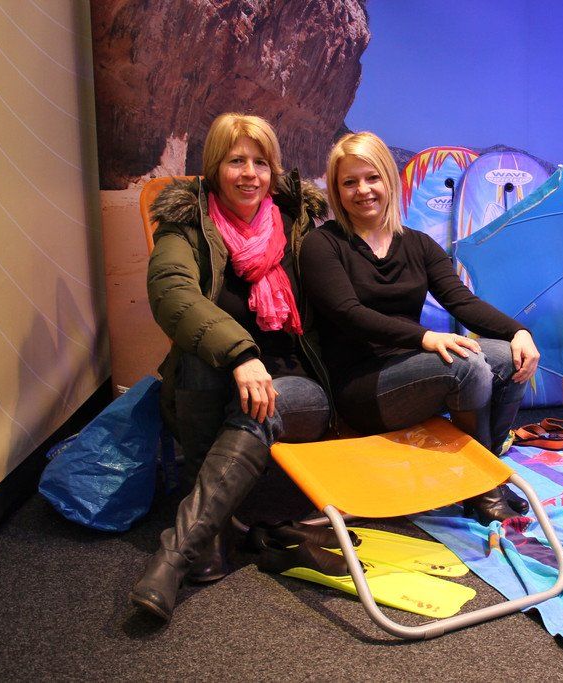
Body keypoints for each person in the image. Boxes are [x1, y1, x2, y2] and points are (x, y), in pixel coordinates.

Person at [130, 113, 332, 621]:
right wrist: (242, 354)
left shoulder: (297, 222)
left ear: (274, 170)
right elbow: (172, 291)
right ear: (214, 167)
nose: (249, 174)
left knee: (264, 403)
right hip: (223, 378)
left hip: (296, 380)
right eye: (236, 161)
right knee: (201, 363)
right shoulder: (186, 224)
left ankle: (177, 554)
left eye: (260, 163)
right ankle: (212, 530)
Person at [299, 131, 540, 524]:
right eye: (349, 182)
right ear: (337, 191)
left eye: (372, 177)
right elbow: (348, 312)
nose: (363, 190)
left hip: (416, 369)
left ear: (389, 180)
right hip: (361, 386)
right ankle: (481, 487)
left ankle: (487, 472)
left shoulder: (419, 244)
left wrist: (518, 332)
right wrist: (424, 337)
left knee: (507, 357)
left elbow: (462, 301)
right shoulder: (322, 244)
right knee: (466, 365)